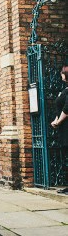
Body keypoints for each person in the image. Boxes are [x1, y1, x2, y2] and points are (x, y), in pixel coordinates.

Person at [51, 65, 68, 194]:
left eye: (62, 73)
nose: (60, 75)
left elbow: (67, 109)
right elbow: (60, 107)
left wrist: (58, 121)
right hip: (63, 129)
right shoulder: (65, 89)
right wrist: (56, 119)